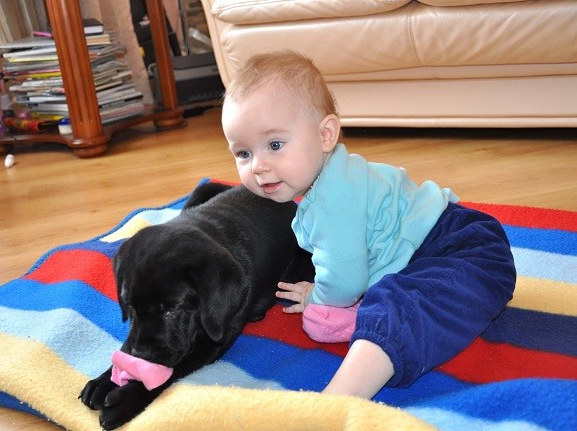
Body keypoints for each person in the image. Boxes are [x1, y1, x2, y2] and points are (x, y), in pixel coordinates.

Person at [220, 50, 516, 399]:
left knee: (400, 308)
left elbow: (345, 278)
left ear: (326, 134)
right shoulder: (337, 178)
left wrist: (320, 295)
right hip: (441, 249)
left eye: (274, 144)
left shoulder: (333, 198)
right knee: (398, 297)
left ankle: (340, 398)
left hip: (464, 250)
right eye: (243, 153)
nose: (258, 166)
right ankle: (362, 318)